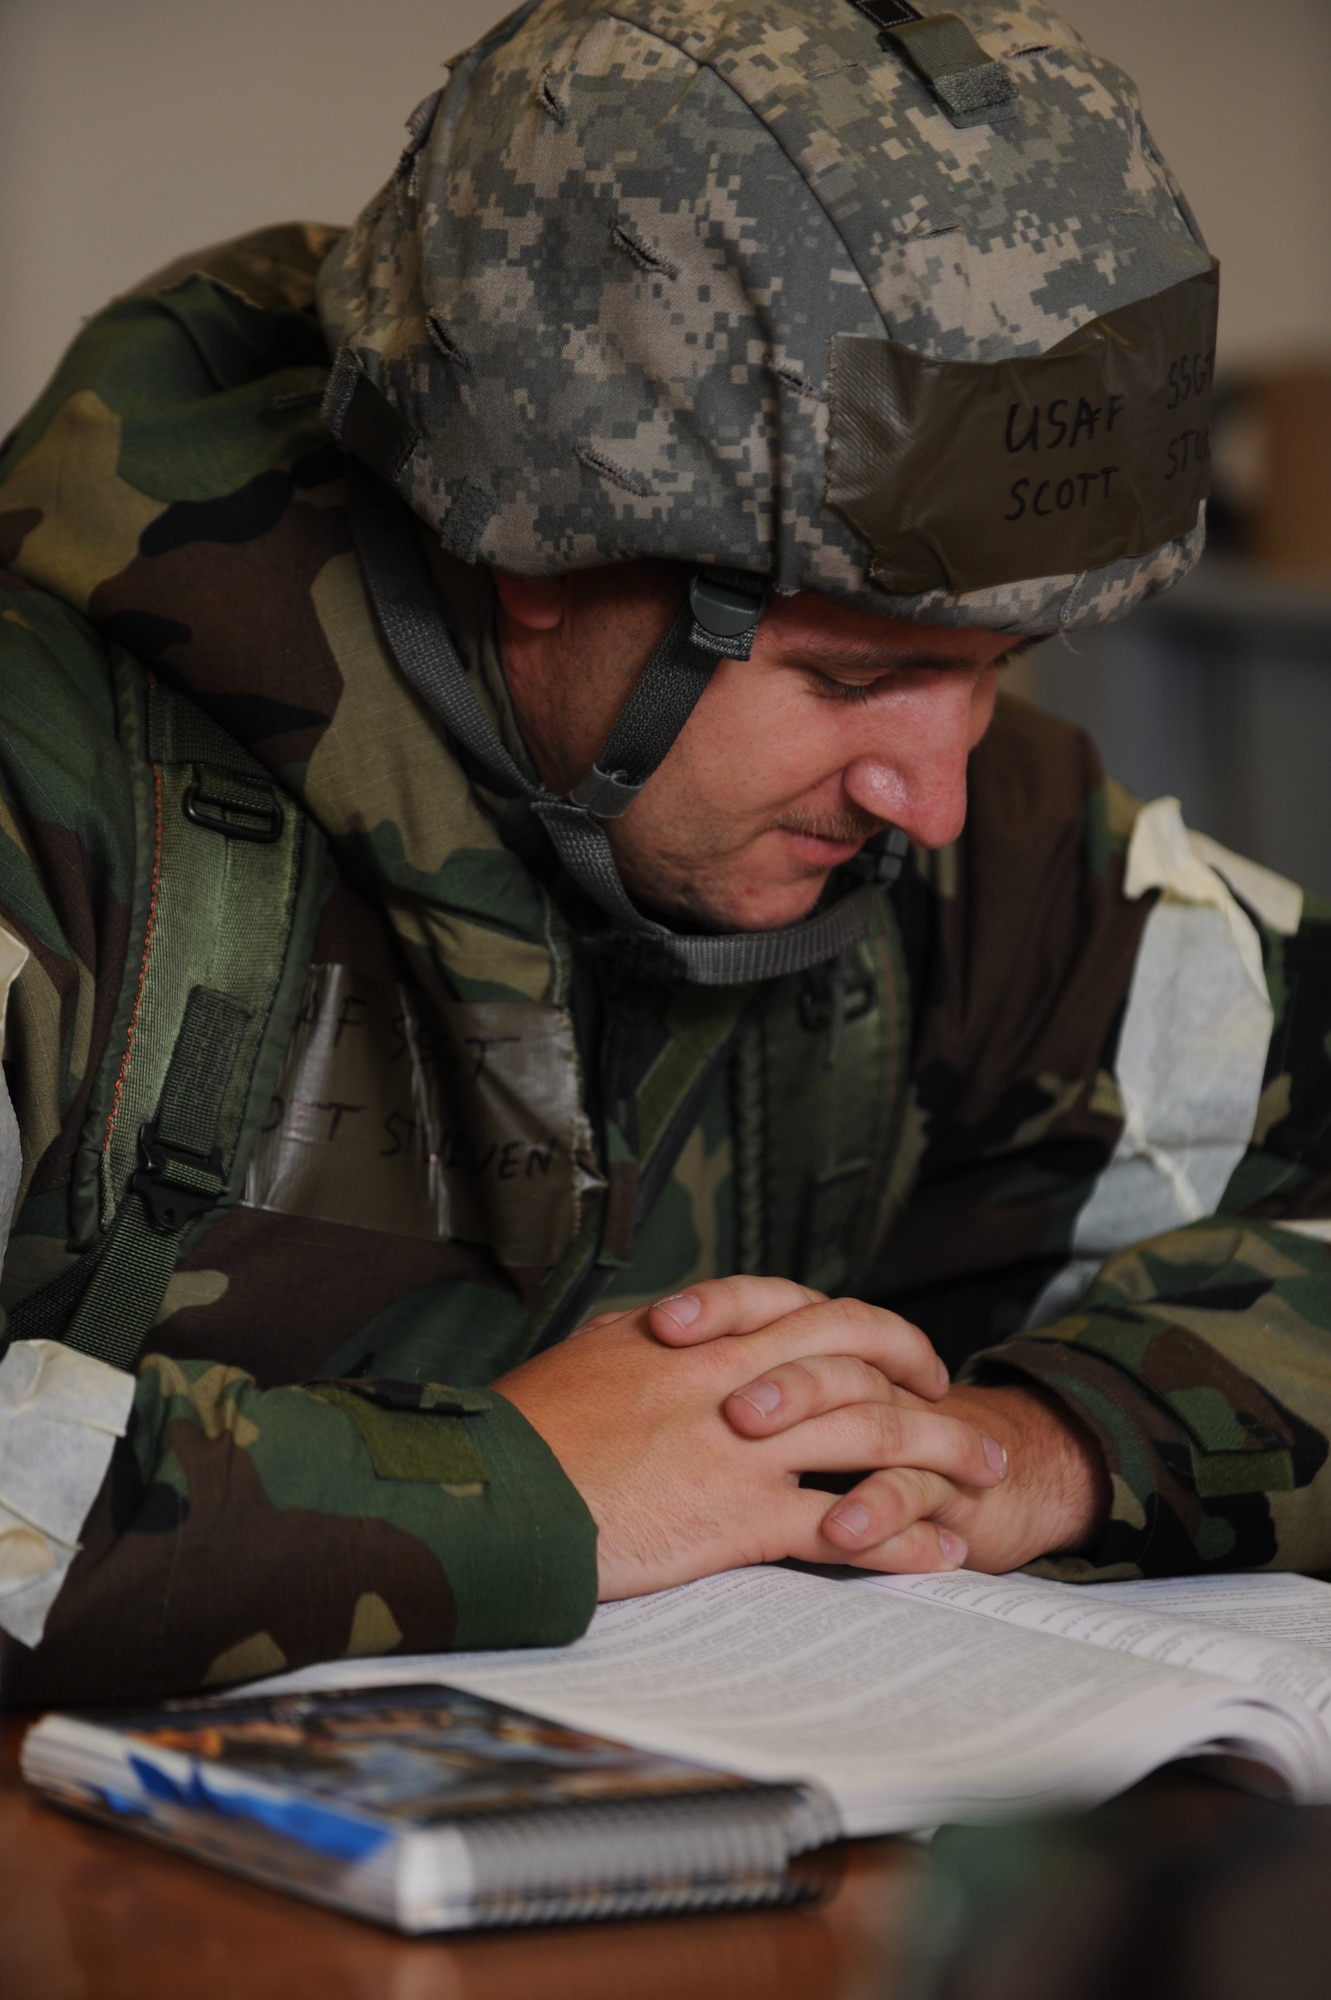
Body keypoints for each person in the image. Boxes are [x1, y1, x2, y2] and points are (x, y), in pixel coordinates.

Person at [1, 0, 1328, 1709]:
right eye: (851, 676)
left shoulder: (983, 849)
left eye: (996, 674)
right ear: (538, 551)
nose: (930, 794)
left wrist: (1052, 1446)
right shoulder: (55, 803)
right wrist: (519, 1488)